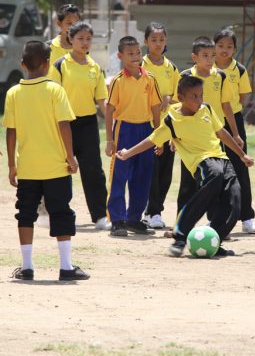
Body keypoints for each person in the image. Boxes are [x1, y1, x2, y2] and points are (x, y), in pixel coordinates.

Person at [116, 76, 254, 257]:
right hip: (202, 162)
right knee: (215, 176)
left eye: (201, 95)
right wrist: (128, 153)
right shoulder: (172, 120)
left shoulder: (207, 109)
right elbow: (151, 140)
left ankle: (213, 240)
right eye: (194, 96)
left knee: (235, 198)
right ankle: (180, 236)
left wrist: (242, 155)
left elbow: (221, 133)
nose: (199, 100)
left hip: (221, 158)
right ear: (180, 98)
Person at [4, 41, 89, 281]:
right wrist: (70, 156)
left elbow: (10, 131)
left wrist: (12, 165)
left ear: (22, 64)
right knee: (61, 212)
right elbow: (64, 125)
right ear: (47, 63)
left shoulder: (13, 93)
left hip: (28, 168)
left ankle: (27, 267)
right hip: (55, 167)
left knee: (25, 213)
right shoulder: (55, 90)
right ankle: (65, 267)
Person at [48, 21, 110, 230]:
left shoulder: (95, 67)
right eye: (80, 39)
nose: (84, 43)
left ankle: (100, 216)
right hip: (64, 123)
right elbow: (52, 96)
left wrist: (112, 122)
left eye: (88, 39)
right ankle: (56, 213)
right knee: (60, 168)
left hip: (88, 124)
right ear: (71, 39)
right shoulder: (59, 65)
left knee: (93, 170)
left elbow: (103, 100)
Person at [176, 36, 241, 216]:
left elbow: (227, 105)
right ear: (194, 57)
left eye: (213, 55)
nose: (210, 59)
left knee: (217, 181)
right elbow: (176, 107)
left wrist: (235, 134)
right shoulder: (185, 76)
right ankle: (180, 225)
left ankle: (216, 224)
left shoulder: (220, 76)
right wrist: (174, 137)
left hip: (213, 137)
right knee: (188, 183)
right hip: (189, 138)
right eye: (205, 55)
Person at [105, 36, 162, 237]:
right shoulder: (117, 81)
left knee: (143, 176)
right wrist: (110, 140)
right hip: (125, 130)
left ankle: (134, 218)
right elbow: (110, 109)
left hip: (146, 130)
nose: (135, 57)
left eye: (138, 52)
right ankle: (117, 220)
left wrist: (159, 135)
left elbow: (156, 108)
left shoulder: (151, 79)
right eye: (130, 53)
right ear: (120, 56)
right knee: (120, 176)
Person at [213, 28, 255, 234]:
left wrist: (233, 124)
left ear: (235, 49)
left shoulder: (239, 70)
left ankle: (247, 217)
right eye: (221, 46)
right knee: (214, 169)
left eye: (229, 46)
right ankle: (216, 217)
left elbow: (241, 98)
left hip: (234, 122)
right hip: (209, 122)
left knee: (240, 167)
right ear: (214, 46)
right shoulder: (206, 67)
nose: (224, 50)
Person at [141, 22, 180, 229]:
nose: (158, 44)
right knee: (151, 170)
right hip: (146, 125)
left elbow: (178, 98)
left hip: (167, 125)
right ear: (146, 41)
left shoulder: (171, 68)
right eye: (154, 40)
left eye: (161, 40)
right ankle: (151, 211)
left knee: (165, 172)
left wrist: (167, 99)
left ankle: (155, 209)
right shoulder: (140, 66)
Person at [48, 4, 81, 69]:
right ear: (59, 24)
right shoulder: (48, 47)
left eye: (76, 23)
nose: (74, 27)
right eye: (69, 23)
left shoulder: (83, 48)